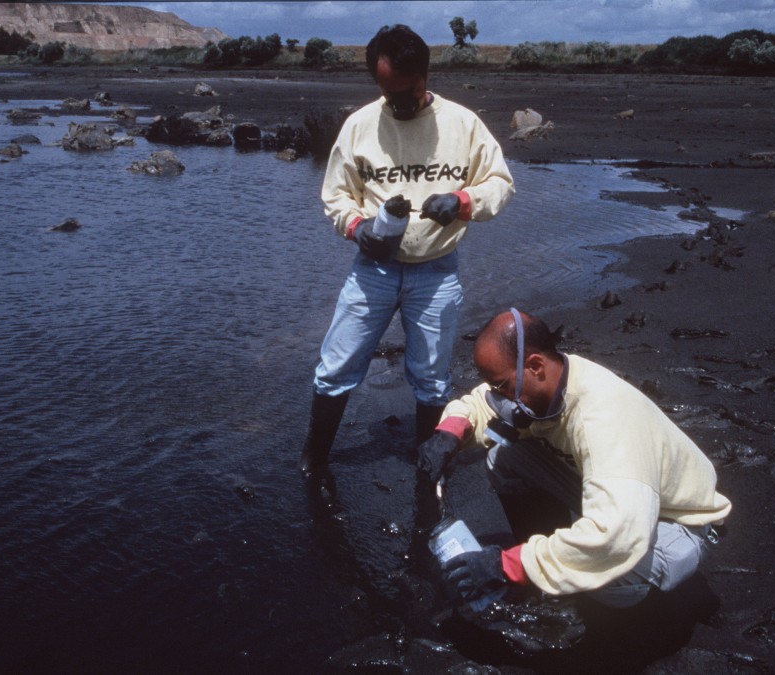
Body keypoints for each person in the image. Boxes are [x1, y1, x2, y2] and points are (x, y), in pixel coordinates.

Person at [299, 24, 515, 473]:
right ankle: (313, 460)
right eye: (389, 93)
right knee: (336, 367)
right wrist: (358, 229)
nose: (400, 103)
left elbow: (500, 183)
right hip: (372, 270)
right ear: (376, 82)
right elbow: (336, 195)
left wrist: (461, 201)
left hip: (436, 271)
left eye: (409, 92)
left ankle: (427, 465)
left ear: (425, 77)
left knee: (432, 379)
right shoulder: (360, 125)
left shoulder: (462, 123)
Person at [417, 308, 732, 610]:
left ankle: (630, 609)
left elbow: (615, 538)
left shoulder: (604, 420)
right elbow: (481, 406)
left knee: (604, 577)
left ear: (536, 366)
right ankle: (546, 560)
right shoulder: (552, 382)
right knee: (505, 457)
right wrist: (451, 432)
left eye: (502, 386)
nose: (499, 396)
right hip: (627, 499)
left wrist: (506, 566)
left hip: (675, 523)